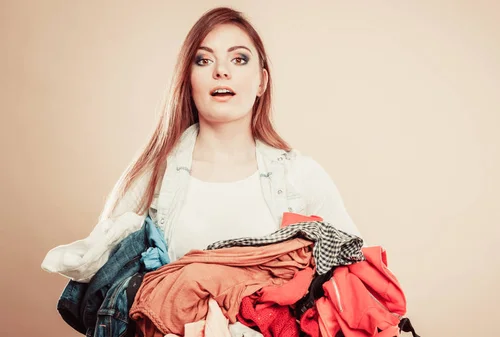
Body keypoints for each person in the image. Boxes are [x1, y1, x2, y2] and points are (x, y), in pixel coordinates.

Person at [42, 6, 361, 282]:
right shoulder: (155, 174)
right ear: (188, 79)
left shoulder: (300, 176)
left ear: (261, 81)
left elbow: (356, 274)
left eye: (239, 59)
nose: (222, 71)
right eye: (204, 60)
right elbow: (100, 274)